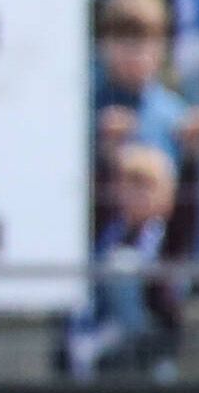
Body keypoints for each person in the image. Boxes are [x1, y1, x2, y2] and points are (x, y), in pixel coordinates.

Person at [61, 140, 189, 380]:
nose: (136, 194)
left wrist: (192, 156)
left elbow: (187, 219)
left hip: (152, 338)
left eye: (145, 186)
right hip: (106, 333)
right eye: (130, 185)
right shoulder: (110, 232)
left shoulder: (166, 238)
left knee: (124, 264)